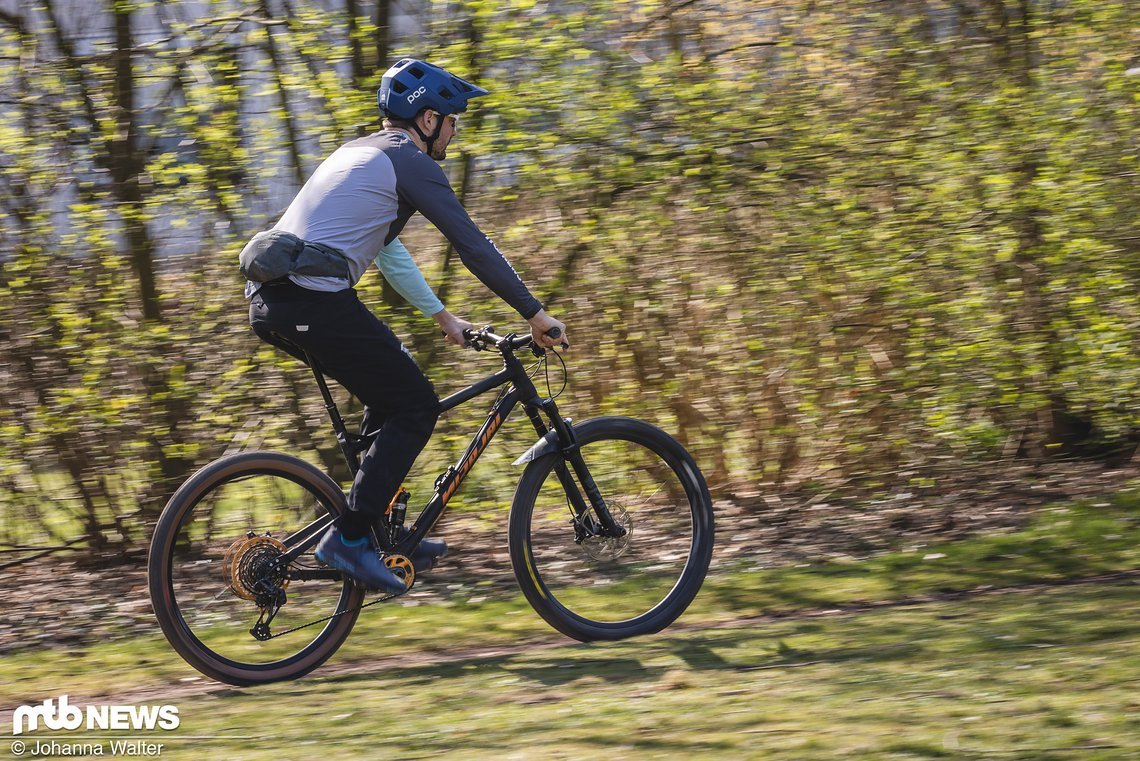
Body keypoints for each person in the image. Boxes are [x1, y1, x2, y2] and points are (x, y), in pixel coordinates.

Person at [245, 58, 568, 593]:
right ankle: (348, 539)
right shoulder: (409, 163)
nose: (455, 129)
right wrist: (536, 314)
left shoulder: (360, 153)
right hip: (310, 302)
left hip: (278, 302)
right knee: (416, 404)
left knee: (391, 385)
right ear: (425, 120)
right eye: (450, 117)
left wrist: (443, 317)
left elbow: (388, 253)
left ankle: (372, 529)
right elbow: (473, 246)